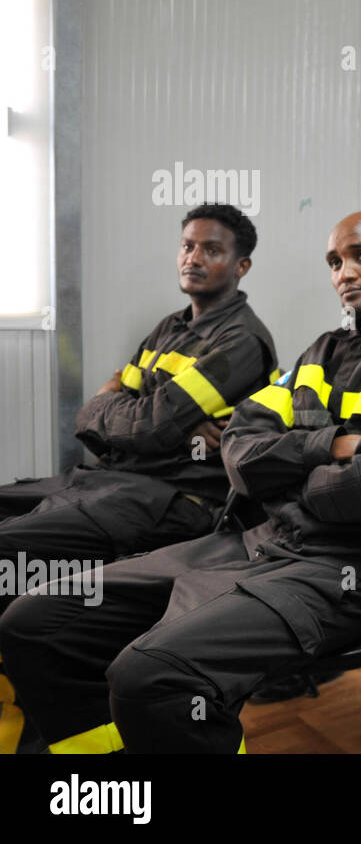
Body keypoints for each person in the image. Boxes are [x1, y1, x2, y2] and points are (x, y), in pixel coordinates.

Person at [0, 211, 361, 753]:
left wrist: (282, 478)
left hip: (347, 574)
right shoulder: (321, 351)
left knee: (149, 677)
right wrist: (324, 447)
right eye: (335, 261)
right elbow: (239, 450)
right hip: (256, 544)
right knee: (35, 619)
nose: (345, 271)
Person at [0, 203, 276, 752]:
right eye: (187, 246)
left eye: (211, 249)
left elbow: (149, 425)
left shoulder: (241, 341)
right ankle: (20, 702)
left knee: (7, 549)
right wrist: (131, 412)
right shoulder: (169, 328)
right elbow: (100, 411)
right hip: (106, 480)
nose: (193, 258)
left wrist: (133, 411)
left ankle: (70, 733)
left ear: (241, 265)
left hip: (175, 499)